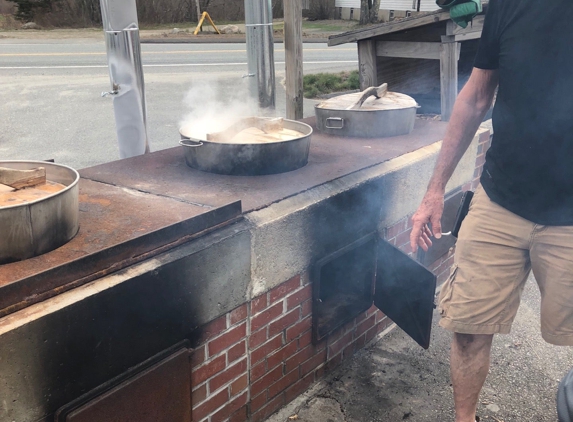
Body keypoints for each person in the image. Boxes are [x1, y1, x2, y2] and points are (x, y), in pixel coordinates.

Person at [409, 0, 573, 421]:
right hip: (500, 198)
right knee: (467, 327)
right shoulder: (511, 5)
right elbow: (476, 96)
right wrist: (433, 191)